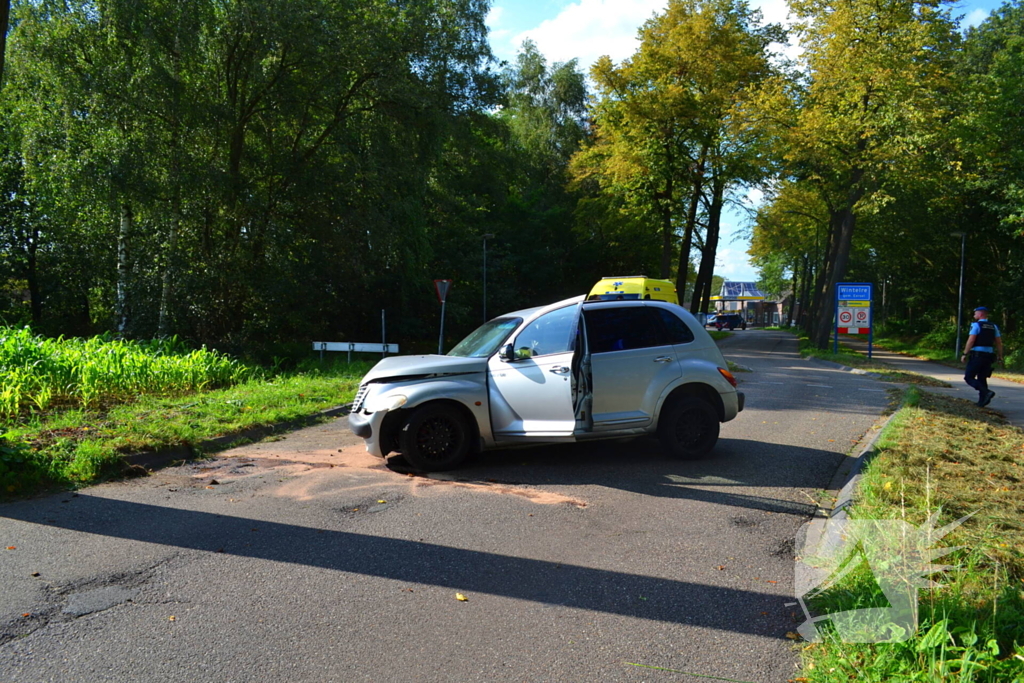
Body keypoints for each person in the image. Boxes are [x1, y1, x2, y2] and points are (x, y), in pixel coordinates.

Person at [960, 306, 1004, 407]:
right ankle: (982, 401)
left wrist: (965, 353)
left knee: (969, 377)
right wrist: (1000, 356)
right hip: (988, 356)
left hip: (977, 356)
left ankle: (987, 392)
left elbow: (971, 340)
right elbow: (999, 343)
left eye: (975, 313)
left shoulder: (976, 325)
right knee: (982, 378)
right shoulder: (994, 326)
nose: (974, 315)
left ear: (980, 314)